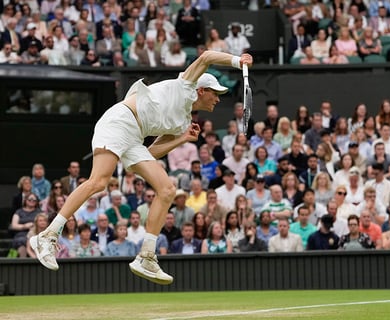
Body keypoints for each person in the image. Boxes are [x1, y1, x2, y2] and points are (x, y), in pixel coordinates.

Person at [30, 50, 253, 284]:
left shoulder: (183, 122)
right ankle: (47, 235)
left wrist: (183, 138)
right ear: (201, 90)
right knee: (99, 181)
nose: (218, 99)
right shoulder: (185, 86)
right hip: (120, 121)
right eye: (215, 93)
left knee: (167, 189)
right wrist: (237, 61)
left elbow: (150, 154)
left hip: (135, 138)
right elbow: (206, 56)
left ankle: (146, 256)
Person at [10, 193, 42, 257]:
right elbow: (13, 225)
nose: (32, 201)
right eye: (30, 199)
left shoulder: (40, 212)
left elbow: (44, 223)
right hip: (21, 235)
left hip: (36, 234)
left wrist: (35, 226)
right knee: (22, 247)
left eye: (34, 200)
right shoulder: (19, 212)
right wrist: (24, 226)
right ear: (25, 200)